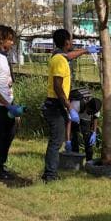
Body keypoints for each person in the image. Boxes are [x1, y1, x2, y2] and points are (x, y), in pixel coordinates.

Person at [41, 28, 87, 182]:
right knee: (56, 141)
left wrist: (86, 50)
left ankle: (50, 173)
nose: (72, 42)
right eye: (71, 40)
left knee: (56, 139)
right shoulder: (60, 60)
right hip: (55, 104)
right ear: (67, 42)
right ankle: (50, 175)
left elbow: (70, 55)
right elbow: (57, 86)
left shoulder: (58, 56)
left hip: (55, 103)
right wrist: (68, 106)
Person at [0, 24, 22, 180]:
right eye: (10, 40)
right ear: (1, 40)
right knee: (1, 135)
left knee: (10, 132)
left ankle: (1, 164)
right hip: (0, 103)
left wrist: (11, 101)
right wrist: (7, 105)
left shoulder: (3, 56)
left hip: (7, 101)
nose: (12, 43)